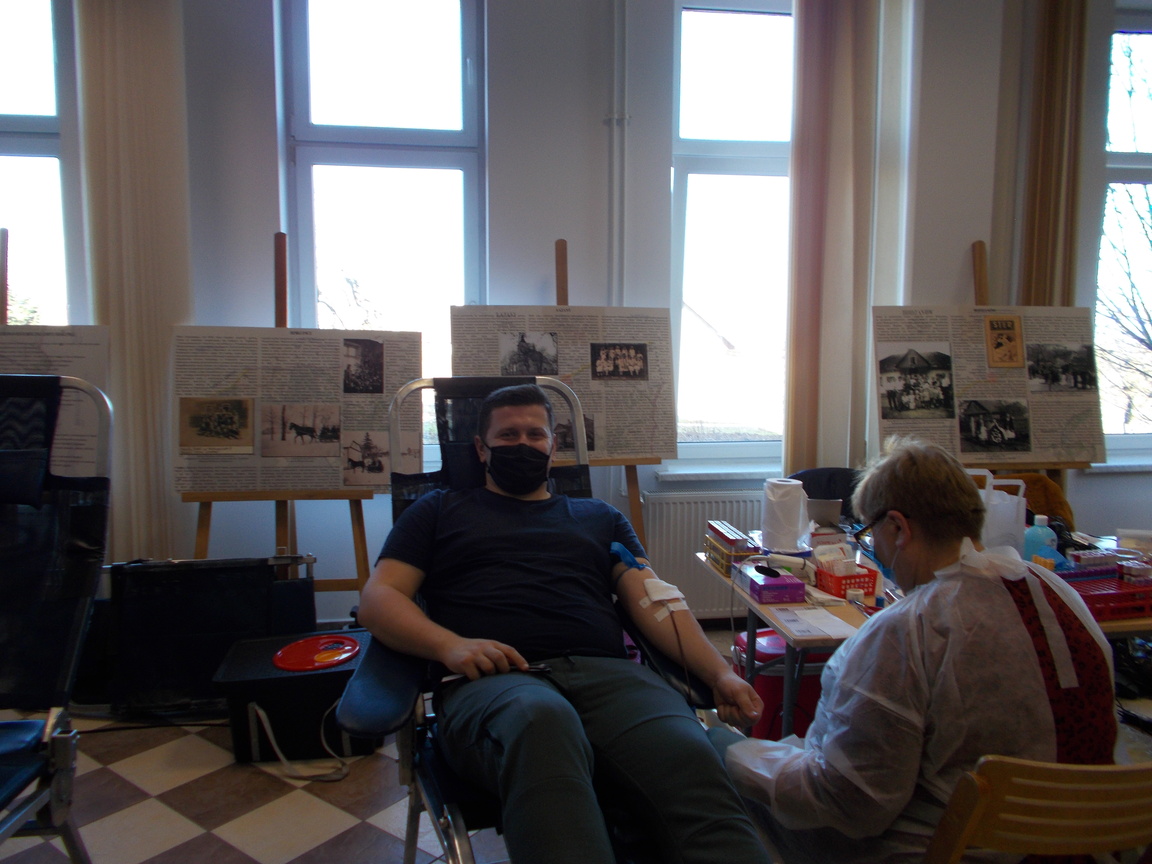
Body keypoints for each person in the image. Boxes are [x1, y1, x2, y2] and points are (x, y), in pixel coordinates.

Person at [358, 383, 772, 864]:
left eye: (535, 434)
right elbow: (379, 599)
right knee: (542, 723)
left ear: (554, 446)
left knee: (685, 752)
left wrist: (719, 674)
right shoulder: (438, 511)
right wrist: (450, 646)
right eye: (507, 435)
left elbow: (655, 602)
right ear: (480, 448)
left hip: (609, 679)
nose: (523, 444)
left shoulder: (599, 517)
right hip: (493, 682)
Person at [714, 437, 1116, 864]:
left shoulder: (909, 630)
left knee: (722, 762)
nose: (874, 548)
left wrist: (735, 755)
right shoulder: (1059, 593)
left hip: (955, 851)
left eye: (870, 534)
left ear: (899, 528)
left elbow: (852, 803)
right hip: (1083, 842)